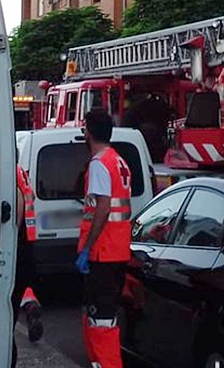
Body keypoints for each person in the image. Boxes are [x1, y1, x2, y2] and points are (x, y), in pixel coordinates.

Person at [75, 110, 132, 368]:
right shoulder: (117, 160)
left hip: (102, 252)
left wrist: (87, 249)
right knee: (99, 316)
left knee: (101, 320)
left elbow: (103, 208)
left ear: (88, 131)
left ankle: (106, 364)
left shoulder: (99, 163)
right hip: (117, 250)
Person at [12, 164, 44, 367]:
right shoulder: (19, 170)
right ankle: (31, 306)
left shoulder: (8, 171)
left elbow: (17, 210)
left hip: (18, 245)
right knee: (24, 285)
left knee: (9, 309)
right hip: (28, 243)